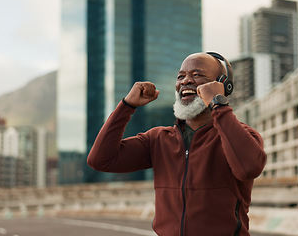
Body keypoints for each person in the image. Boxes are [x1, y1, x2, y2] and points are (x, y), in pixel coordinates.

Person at [87, 52, 267, 236]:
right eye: (181, 76)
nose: (185, 81)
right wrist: (126, 106)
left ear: (223, 85)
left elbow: (249, 168)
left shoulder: (241, 135)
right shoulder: (158, 139)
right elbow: (100, 160)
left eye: (197, 75)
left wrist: (218, 104)